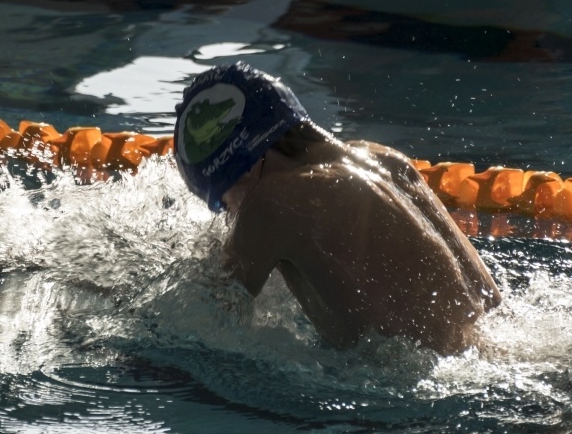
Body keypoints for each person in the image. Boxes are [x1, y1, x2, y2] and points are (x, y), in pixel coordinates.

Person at [173, 62, 501, 355]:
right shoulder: (387, 160)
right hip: (494, 354)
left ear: (244, 168)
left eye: (225, 203)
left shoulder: (271, 201)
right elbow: (488, 300)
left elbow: (203, 322)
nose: (231, 218)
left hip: (412, 400)